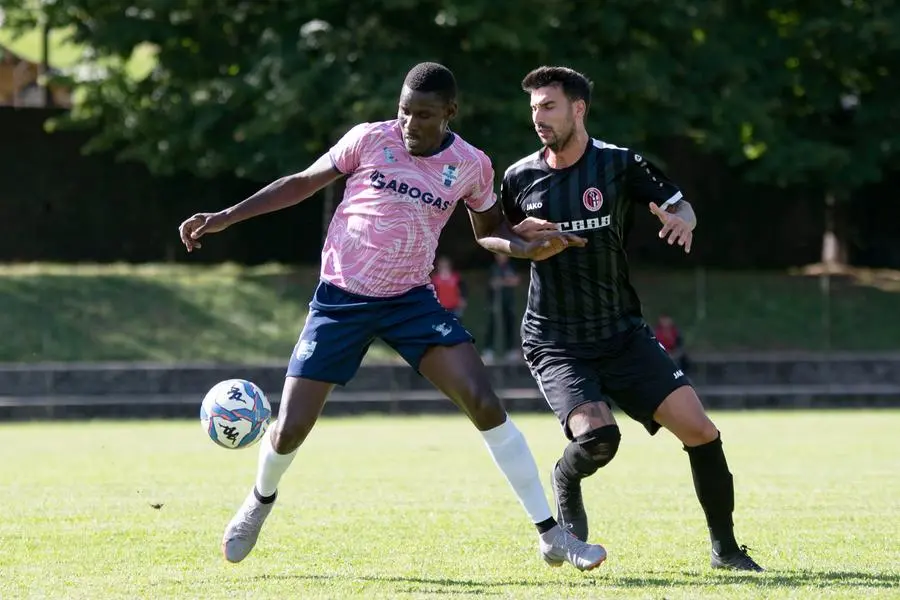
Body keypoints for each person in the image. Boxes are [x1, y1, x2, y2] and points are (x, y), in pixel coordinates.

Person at [177, 62, 606, 571]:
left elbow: (489, 228)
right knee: (290, 427)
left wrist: (523, 247)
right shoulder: (369, 139)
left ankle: (551, 533)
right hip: (341, 299)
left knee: (483, 400)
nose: (410, 124)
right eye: (404, 111)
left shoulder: (472, 164)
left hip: (410, 301)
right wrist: (225, 217)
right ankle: (258, 502)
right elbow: (300, 183)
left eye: (423, 115)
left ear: (449, 113)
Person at [494, 65, 764, 571]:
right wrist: (518, 241)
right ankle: (567, 475)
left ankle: (726, 550)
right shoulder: (518, 177)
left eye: (549, 106)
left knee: (701, 431)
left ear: (579, 108)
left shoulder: (619, 164)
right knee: (598, 439)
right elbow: (498, 238)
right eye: (533, 109)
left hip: (622, 333)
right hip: (557, 340)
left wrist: (683, 220)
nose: (539, 118)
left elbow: (682, 206)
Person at [483, 253, 521, 363]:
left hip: (508, 301)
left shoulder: (511, 266)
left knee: (510, 323)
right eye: (499, 255)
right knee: (492, 325)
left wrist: (503, 281)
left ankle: (510, 350)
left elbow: (516, 281)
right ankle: (488, 350)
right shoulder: (493, 268)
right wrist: (506, 281)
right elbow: (493, 283)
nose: (502, 257)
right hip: (494, 302)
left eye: (504, 255)